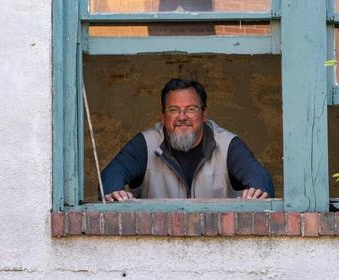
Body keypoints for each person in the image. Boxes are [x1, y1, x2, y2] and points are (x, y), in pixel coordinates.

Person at [101, 78, 274, 201]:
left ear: (204, 114)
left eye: (191, 109)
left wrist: (256, 192)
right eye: (173, 110)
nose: (182, 117)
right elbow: (110, 178)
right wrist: (115, 193)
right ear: (163, 116)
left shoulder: (227, 144)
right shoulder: (146, 144)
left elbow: (261, 181)